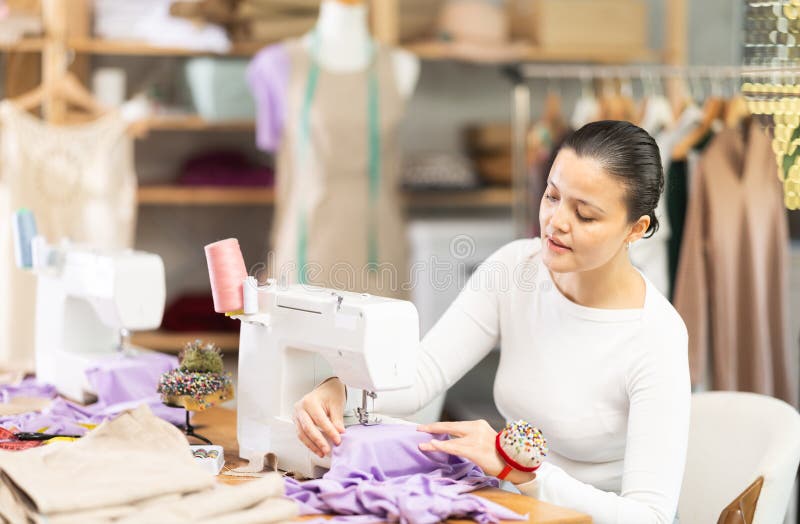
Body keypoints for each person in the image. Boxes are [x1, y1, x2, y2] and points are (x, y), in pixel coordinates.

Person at [293, 120, 690, 524]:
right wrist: (342, 389)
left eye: (585, 215)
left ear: (635, 230)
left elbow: (649, 517)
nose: (556, 222)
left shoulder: (656, 338)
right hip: (517, 508)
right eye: (552, 196)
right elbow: (425, 372)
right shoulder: (515, 268)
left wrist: (517, 470)